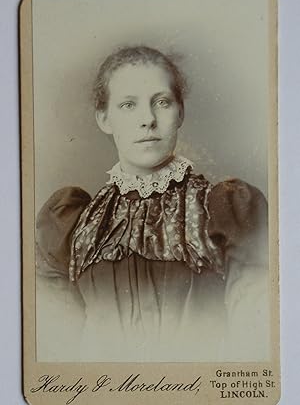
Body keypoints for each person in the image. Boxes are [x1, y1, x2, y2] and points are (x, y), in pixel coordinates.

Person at [36, 46, 269, 362]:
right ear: (104, 119)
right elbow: (59, 349)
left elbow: (256, 339)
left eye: (162, 102)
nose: (147, 120)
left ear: (180, 112)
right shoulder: (73, 223)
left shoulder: (224, 210)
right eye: (128, 105)